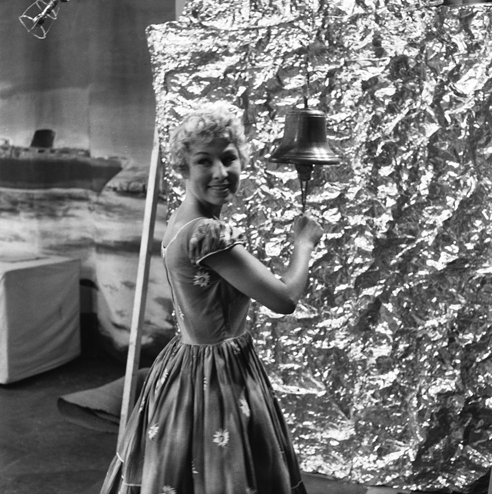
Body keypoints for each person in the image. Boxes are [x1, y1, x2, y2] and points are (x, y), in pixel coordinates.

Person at [100, 103, 324, 494]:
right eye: (204, 161)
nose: (220, 172)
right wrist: (303, 243)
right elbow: (284, 300)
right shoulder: (207, 234)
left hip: (186, 362)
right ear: (183, 169)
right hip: (217, 374)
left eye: (228, 158)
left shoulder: (182, 218)